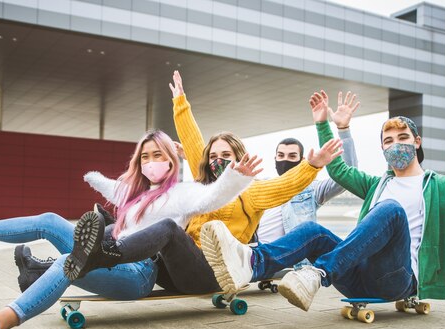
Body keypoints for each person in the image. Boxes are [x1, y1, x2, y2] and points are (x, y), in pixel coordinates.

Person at [0, 129, 261, 329]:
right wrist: (91, 176)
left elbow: (214, 196)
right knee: (50, 221)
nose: (151, 161)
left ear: (172, 161)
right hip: (114, 260)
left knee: (69, 262)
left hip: (137, 274)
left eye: (158, 155)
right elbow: (104, 184)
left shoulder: (184, 193)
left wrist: (236, 176)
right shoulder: (134, 195)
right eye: (145, 156)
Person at [200, 90, 445, 311]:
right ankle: (253, 265)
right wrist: (329, 125)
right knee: (313, 231)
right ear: (382, 149)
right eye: (388, 141)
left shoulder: (440, 187)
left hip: (398, 279)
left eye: (402, 139)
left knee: (391, 211)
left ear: (417, 142)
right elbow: (338, 169)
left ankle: (317, 274)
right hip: (355, 276)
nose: (395, 145)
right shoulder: (376, 184)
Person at [60, 71, 343, 296]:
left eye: (226, 156)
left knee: (165, 227)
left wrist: (313, 164)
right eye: (214, 156)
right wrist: (180, 103)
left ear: (239, 158)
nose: (218, 161)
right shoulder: (204, 184)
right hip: (176, 262)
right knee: (116, 225)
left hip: (211, 270)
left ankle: (104, 253)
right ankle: (54, 264)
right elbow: (196, 144)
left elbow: (287, 186)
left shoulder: (251, 191)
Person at [256, 92, 359, 271]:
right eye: (281, 156)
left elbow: (347, 176)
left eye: (291, 156)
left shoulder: (311, 189)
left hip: (288, 263)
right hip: (256, 254)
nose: (285, 160)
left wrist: (343, 129)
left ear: (302, 159)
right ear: (274, 158)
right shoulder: (263, 186)